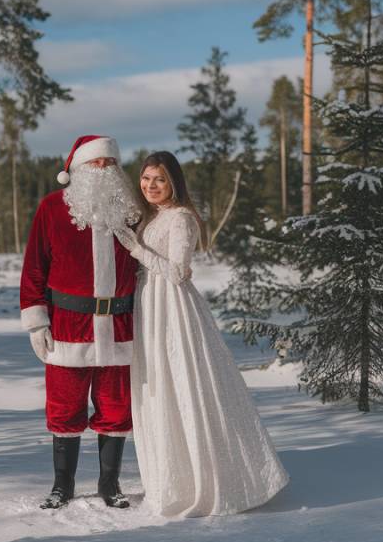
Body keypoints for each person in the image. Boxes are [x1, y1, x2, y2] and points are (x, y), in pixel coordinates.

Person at [114, 150, 289, 517]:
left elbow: (178, 272)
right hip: (150, 305)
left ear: (173, 181)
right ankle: (170, 477)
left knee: (182, 382)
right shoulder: (154, 216)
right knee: (159, 386)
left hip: (173, 307)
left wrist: (135, 249)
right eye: (146, 179)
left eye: (159, 179)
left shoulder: (181, 219)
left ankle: (206, 481)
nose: (151, 186)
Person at [20, 135, 143, 510]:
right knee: (64, 407)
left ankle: (110, 483)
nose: (103, 169)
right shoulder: (52, 208)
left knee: (117, 408)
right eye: (95, 163)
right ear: (76, 169)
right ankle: (63, 485)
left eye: (109, 163)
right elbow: (34, 268)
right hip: (68, 326)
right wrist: (36, 321)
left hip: (119, 326)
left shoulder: (131, 212)